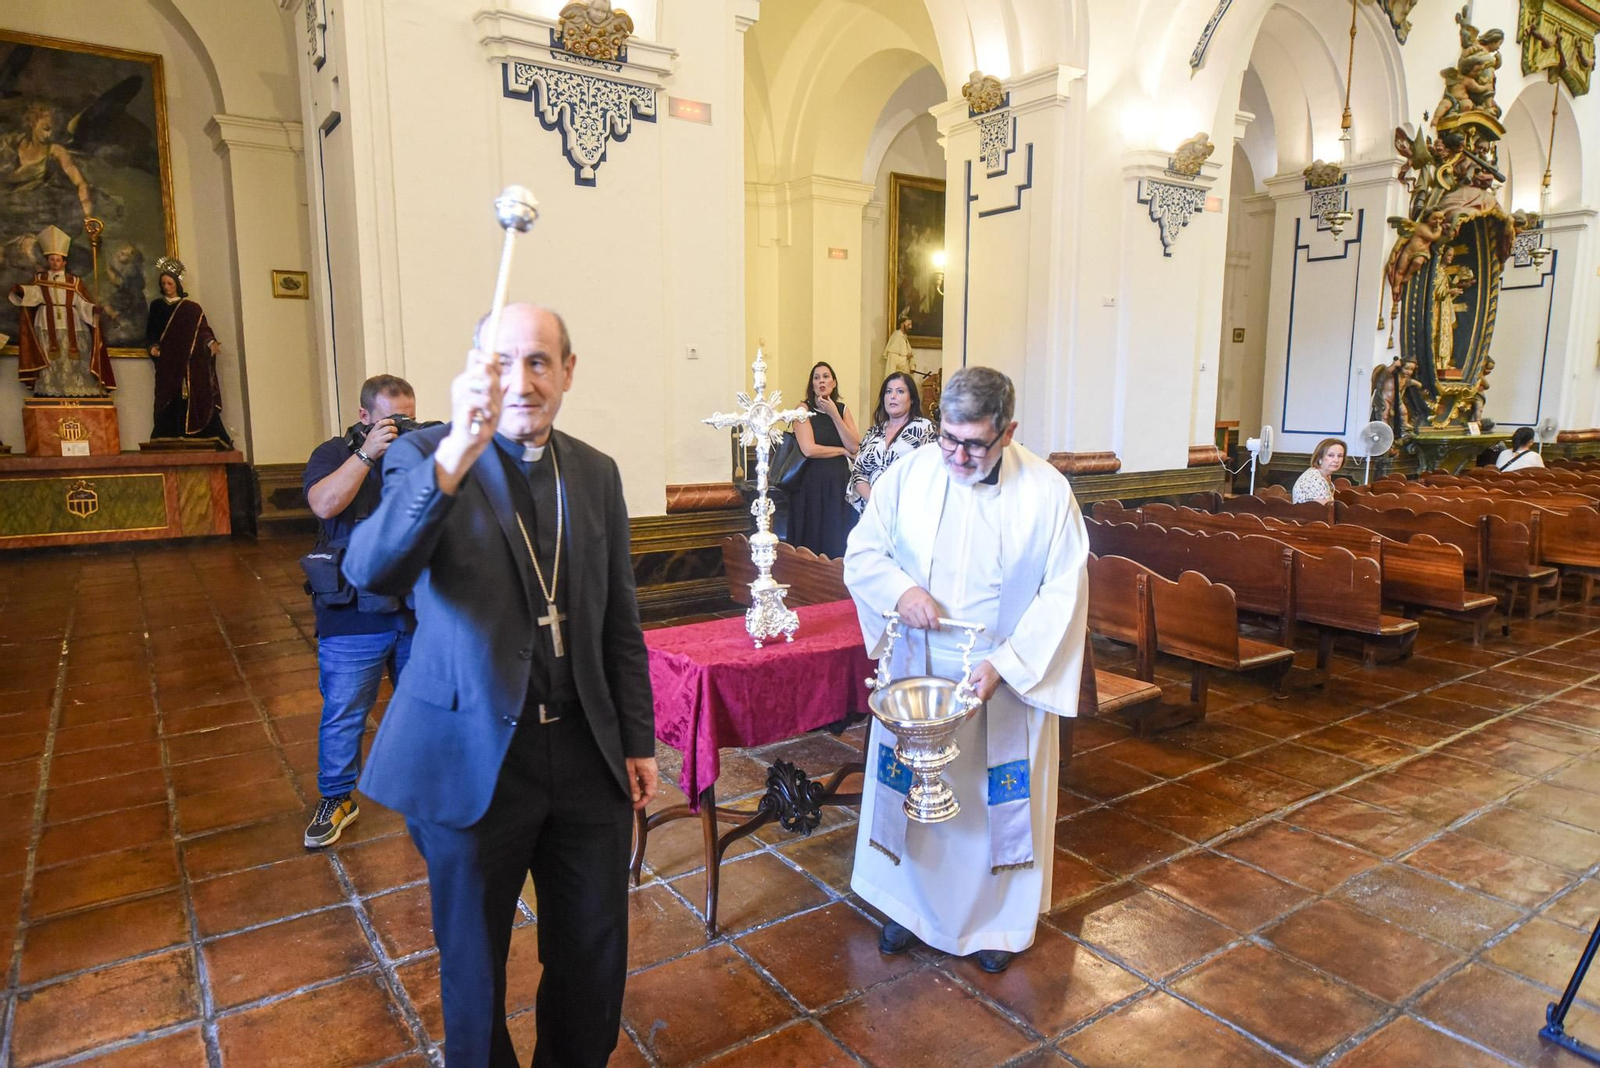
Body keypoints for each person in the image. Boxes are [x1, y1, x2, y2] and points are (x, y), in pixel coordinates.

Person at [343, 304, 656, 1068]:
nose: (522, 381)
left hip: (584, 750)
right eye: (503, 362)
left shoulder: (595, 472)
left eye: (540, 361)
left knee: (593, 956)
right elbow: (370, 571)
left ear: (568, 372)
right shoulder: (425, 455)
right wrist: (454, 452)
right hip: (474, 753)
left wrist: (638, 739)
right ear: (476, 371)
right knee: (474, 969)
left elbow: (620, 619)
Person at [843, 366, 1088, 975]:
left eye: (974, 444)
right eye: (948, 439)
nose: (956, 456)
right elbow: (863, 552)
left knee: (989, 805)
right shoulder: (910, 474)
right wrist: (900, 592)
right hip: (918, 672)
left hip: (1002, 681)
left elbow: (1063, 593)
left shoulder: (1047, 493)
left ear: (1009, 431)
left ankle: (995, 923)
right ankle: (907, 907)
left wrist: (1007, 663)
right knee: (915, 794)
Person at [300, 375, 421, 847]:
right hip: (352, 611)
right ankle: (337, 798)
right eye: (391, 420)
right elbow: (324, 504)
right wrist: (368, 453)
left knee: (426, 704)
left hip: (415, 606)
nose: (400, 429)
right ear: (365, 416)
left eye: (408, 419)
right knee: (345, 709)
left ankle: (427, 789)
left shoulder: (421, 452)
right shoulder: (334, 453)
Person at [8, 224, 114, 396]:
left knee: (74, 359)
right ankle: (50, 391)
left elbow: (81, 302)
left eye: (58, 260)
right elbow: (34, 294)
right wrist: (21, 291)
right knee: (50, 359)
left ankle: (75, 391)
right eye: (52, 259)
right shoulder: (41, 279)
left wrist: (92, 309)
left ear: (64, 262)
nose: (55, 263)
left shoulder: (74, 281)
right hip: (45, 322)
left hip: (72, 321)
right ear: (48, 261)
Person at [146, 257, 232, 445]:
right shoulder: (157, 306)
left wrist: (210, 343)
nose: (167, 287)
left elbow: (203, 330)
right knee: (168, 396)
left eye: (170, 283)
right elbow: (152, 331)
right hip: (167, 361)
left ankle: (196, 434)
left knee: (191, 393)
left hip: (189, 362)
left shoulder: (192, 308)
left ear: (177, 284)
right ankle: (167, 434)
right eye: (163, 283)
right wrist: (152, 346)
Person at [788, 360, 860, 557]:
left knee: (837, 537)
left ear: (834, 383)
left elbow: (854, 445)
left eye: (826, 377)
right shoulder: (803, 410)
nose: (821, 381)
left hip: (839, 483)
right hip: (812, 483)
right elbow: (809, 449)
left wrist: (834, 414)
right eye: (816, 378)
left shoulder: (842, 409)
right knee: (813, 538)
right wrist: (841, 451)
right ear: (812, 385)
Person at [848, 372, 937, 513]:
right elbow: (858, 472)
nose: (892, 396)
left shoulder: (924, 428)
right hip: (873, 512)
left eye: (900, 391)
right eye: (888, 391)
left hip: (908, 512)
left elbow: (929, 473)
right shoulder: (873, 432)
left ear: (911, 399)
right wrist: (877, 505)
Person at [1292, 437, 1347, 503]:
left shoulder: (1323, 475)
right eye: (1331, 455)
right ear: (1320, 457)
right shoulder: (1315, 479)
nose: (1336, 460)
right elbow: (1326, 508)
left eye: (1340, 456)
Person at [882, 315, 916, 379]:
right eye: (908, 325)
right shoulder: (896, 338)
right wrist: (906, 358)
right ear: (902, 324)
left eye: (911, 325)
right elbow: (893, 361)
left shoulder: (904, 338)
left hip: (904, 375)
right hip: (897, 376)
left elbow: (911, 355)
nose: (910, 327)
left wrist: (912, 366)